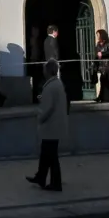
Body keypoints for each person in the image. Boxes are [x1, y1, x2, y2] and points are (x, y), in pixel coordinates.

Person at [26, 59, 66, 191]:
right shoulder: (57, 84)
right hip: (56, 125)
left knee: (51, 156)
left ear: (48, 71)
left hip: (51, 126)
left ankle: (56, 183)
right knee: (46, 153)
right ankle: (41, 177)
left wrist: (40, 118)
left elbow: (48, 108)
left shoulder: (50, 86)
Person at [94, 29, 109, 103]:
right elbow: (96, 53)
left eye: (98, 35)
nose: (97, 36)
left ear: (102, 35)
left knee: (103, 79)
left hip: (107, 64)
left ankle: (101, 97)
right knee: (105, 81)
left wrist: (102, 54)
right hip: (101, 64)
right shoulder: (98, 44)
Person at [28, 26, 44, 102]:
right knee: (35, 83)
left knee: (39, 82)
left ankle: (38, 97)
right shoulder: (30, 40)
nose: (36, 32)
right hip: (33, 63)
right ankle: (35, 98)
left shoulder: (39, 41)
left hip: (38, 63)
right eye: (35, 31)